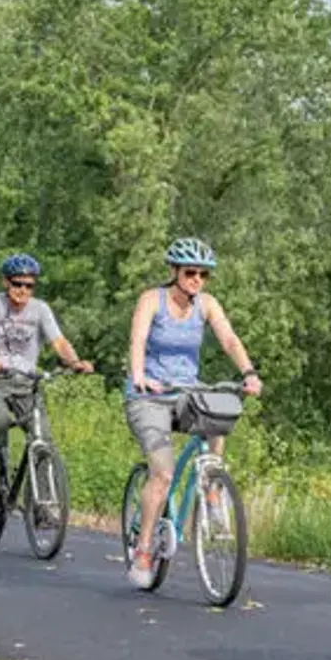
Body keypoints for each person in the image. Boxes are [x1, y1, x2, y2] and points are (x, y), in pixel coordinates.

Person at [122, 237, 263, 589]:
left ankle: (212, 490)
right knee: (164, 474)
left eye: (203, 274)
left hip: (186, 389)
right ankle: (142, 552)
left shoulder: (207, 305)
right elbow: (137, 341)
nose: (196, 280)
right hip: (149, 395)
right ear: (174, 272)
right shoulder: (151, 300)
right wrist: (139, 375)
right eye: (190, 273)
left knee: (218, 407)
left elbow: (229, 340)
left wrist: (248, 373)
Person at [0, 253, 95, 503]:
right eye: (17, 283)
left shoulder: (40, 310)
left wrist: (75, 362)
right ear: (6, 282)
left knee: (43, 439)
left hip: (24, 382)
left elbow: (59, 342)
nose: (23, 290)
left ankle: (44, 507)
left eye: (29, 285)